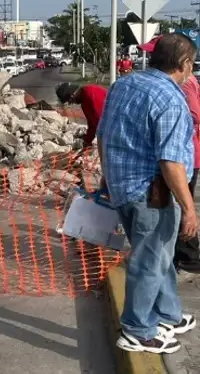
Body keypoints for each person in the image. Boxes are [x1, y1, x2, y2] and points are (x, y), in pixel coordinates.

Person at [98, 33, 198, 354]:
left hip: (123, 186)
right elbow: (171, 163)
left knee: (159, 254)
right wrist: (190, 208)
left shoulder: (124, 85)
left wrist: (106, 176)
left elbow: (103, 135)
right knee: (150, 259)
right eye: (192, 64)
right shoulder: (170, 100)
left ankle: (167, 313)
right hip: (151, 194)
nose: (192, 70)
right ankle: (138, 330)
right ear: (183, 63)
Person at [175, 72, 200, 272]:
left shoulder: (184, 83)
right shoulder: (186, 82)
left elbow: (194, 114)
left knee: (184, 206)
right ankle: (186, 253)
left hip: (185, 158)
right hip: (187, 155)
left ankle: (189, 256)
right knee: (182, 204)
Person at [56, 82, 108, 148]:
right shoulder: (84, 100)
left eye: (70, 101)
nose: (71, 103)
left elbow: (102, 124)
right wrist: (87, 141)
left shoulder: (91, 95)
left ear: (72, 95)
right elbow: (92, 124)